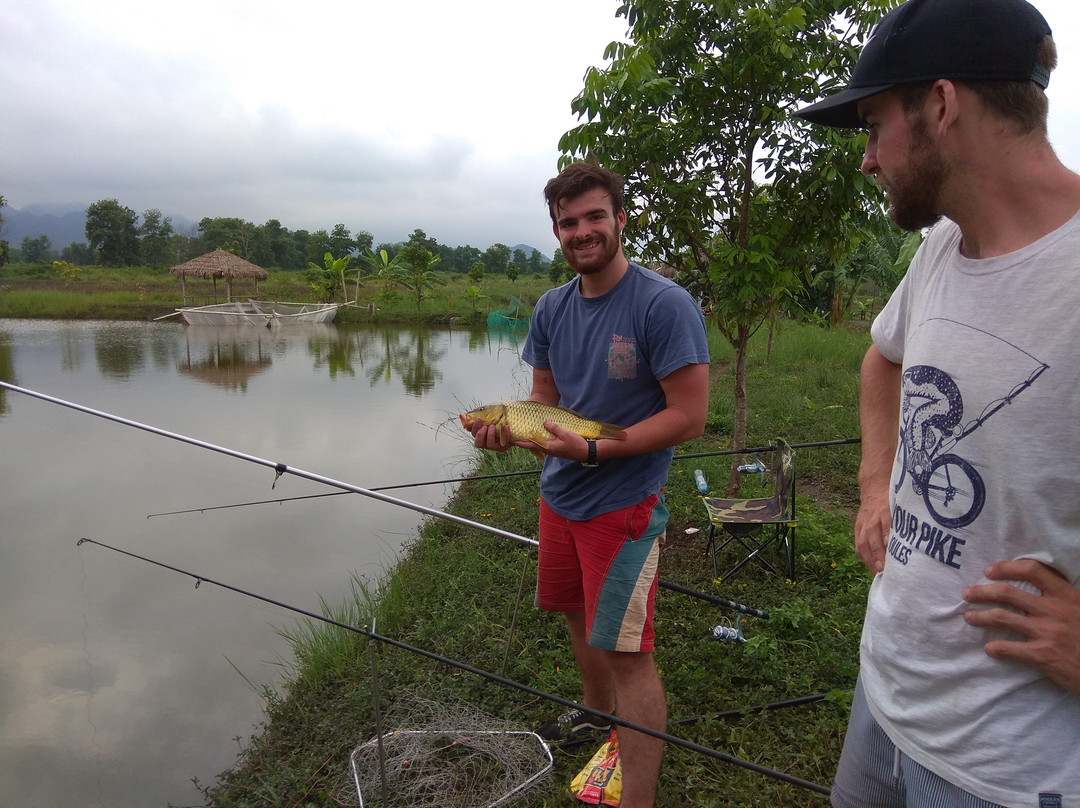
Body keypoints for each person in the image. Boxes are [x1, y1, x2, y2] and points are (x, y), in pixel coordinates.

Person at [794, 0, 1080, 806]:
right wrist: (872, 484)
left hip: (1005, 775)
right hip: (883, 705)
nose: (866, 160)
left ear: (943, 106)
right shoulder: (943, 248)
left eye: (874, 124)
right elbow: (882, 363)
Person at [466, 161, 710, 807]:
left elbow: (690, 415)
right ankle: (596, 715)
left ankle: (639, 800)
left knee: (628, 650)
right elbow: (544, 400)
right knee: (578, 617)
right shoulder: (551, 307)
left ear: (620, 218)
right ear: (556, 230)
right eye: (569, 222)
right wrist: (508, 432)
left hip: (622, 506)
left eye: (594, 216)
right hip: (560, 497)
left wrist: (601, 448)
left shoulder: (663, 304)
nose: (582, 231)